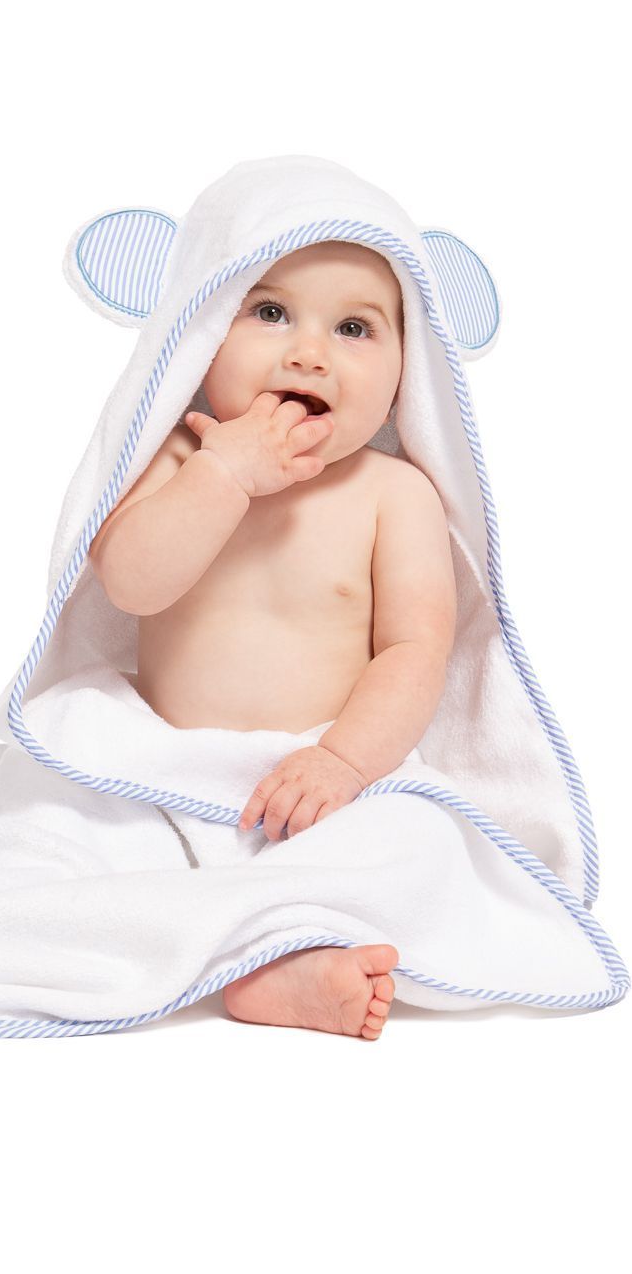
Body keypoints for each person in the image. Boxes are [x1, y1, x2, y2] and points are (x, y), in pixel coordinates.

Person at [87, 238, 457, 1039]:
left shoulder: (394, 494)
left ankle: (283, 958)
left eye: (353, 329)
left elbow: (415, 649)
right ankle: (186, 942)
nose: (308, 353)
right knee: (61, 831)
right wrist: (222, 475)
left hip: (313, 784)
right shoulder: (175, 459)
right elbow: (131, 584)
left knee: (416, 843)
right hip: (159, 773)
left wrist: (343, 762)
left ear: (407, 378)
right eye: (269, 311)